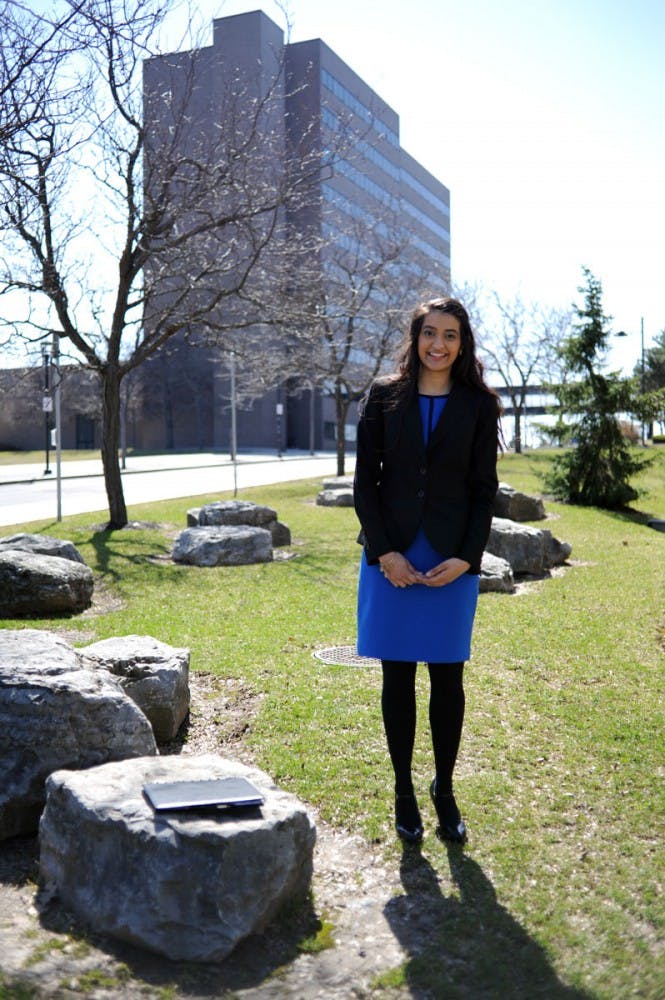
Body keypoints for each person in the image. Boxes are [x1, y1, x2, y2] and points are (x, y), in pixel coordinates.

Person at [353, 296, 501, 844]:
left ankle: (444, 788)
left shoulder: (479, 405)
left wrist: (467, 558)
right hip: (392, 555)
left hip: (451, 557)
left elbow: (483, 491)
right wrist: (386, 553)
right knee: (397, 677)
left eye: (451, 336)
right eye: (430, 333)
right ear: (415, 338)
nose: (439, 345)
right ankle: (403, 792)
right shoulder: (383, 397)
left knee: (447, 677)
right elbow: (365, 482)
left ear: (463, 345)